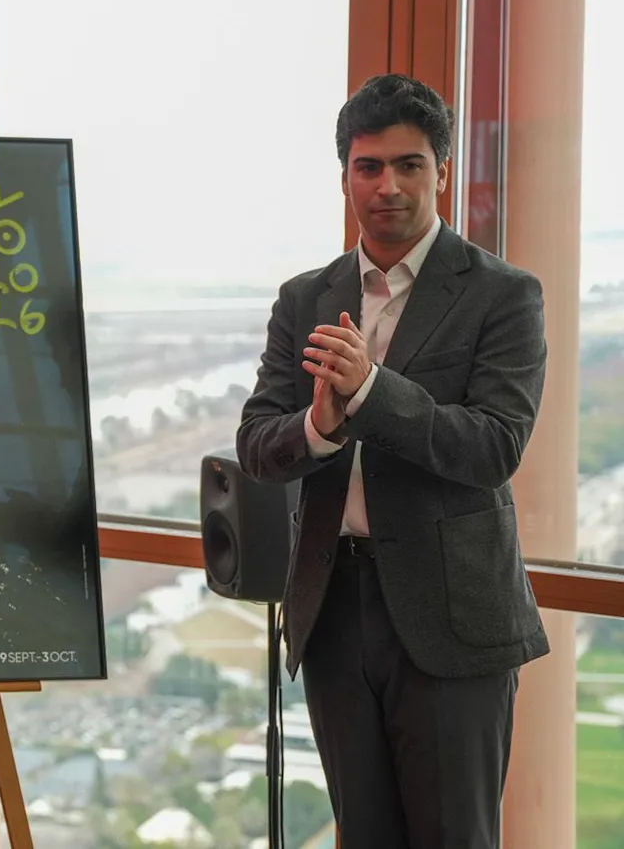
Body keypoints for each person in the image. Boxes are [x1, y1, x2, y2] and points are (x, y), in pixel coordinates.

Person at [238, 73, 549, 846]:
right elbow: (256, 447)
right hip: (333, 610)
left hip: (451, 620)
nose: (388, 185)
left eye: (410, 165)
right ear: (345, 175)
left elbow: (494, 446)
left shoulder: (503, 295)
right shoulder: (304, 298)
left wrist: (373, 392)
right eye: (368, 166)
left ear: (442, 172)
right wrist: (317, 426)